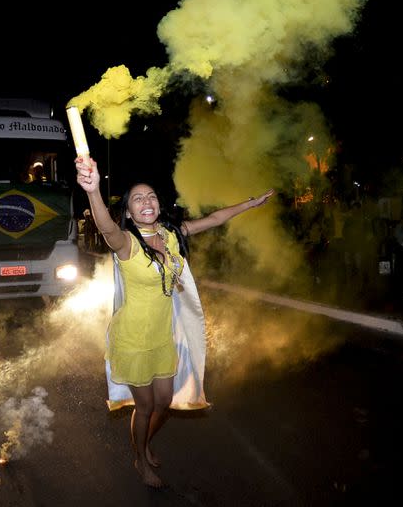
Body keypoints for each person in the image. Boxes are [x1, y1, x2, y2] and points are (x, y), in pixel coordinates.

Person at [75, 155, 274, 487]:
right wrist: (93, 190)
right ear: (128, 212)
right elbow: (106, 227)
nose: (146, 201)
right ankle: (140, 456)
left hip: (161, 338)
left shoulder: (170, 235)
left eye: (150, 196)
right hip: (134, 340)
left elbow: (212, 219)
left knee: (164, 403)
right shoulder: (126, 243)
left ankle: (145, 444)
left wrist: (251, 204)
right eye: (137, 199)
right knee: (145, 404)